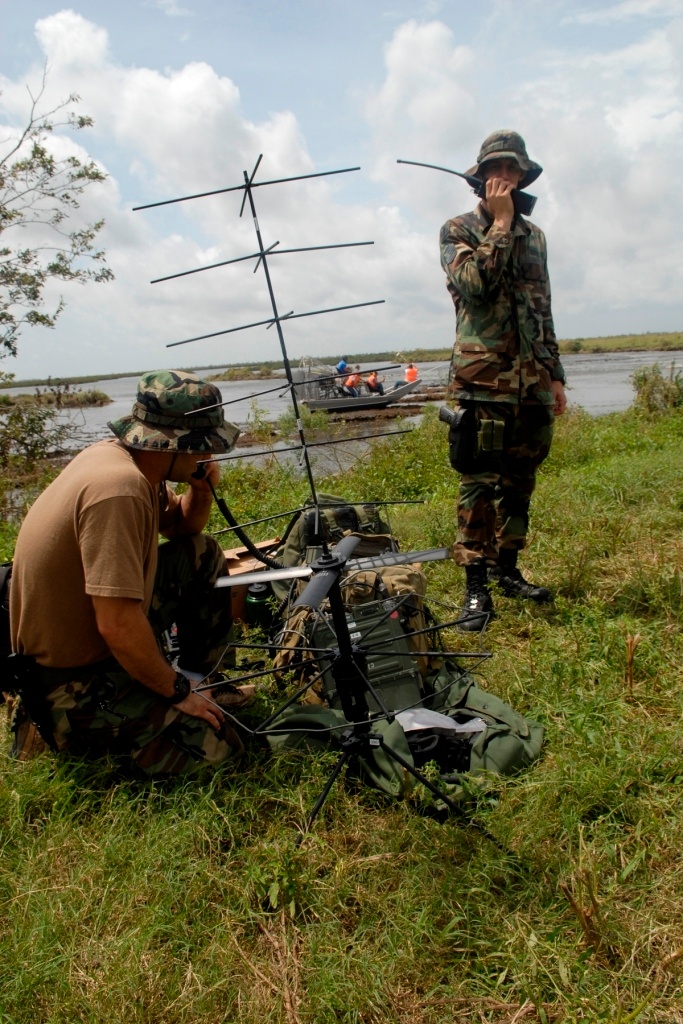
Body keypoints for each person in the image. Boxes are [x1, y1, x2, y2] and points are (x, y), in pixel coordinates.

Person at [9, 369, 249, 774]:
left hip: (100, 639)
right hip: (71, 683)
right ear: (174, 443)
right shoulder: (119, 489)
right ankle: (60, 734)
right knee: (222, 748)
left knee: (201, 553)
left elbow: (181, 529)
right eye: (202, 446)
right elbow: (117, 623)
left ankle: (200, 679)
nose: (207, 455)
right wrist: (177, 693)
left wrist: (201, 489)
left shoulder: (136, 466)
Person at [439, 130, 567, 630]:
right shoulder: (457, 230)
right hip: (482, 381)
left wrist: (554, 375)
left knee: (520, 484)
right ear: (480, 178)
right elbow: (474, 286)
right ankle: (476, 589)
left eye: (513, 170)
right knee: (478, 483)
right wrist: (502, 224)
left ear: (523, 175)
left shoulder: (536, 237)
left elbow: (543, 309)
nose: (505, 177)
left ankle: (508, 570)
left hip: (532, 382)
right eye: (496, 169)